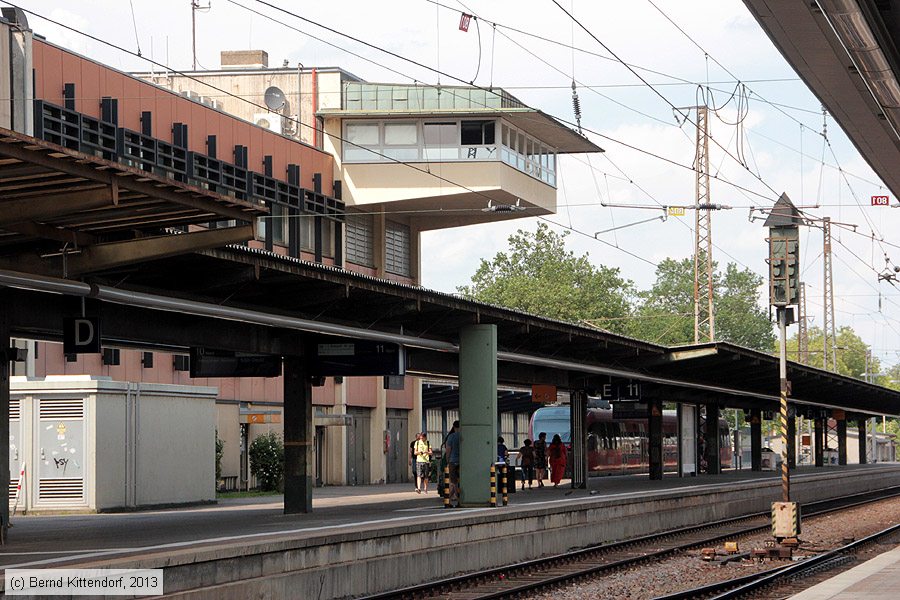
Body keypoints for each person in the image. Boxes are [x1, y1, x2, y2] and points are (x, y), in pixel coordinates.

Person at [444, 421, 460, 507]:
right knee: (459, 482)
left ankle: (448, 500)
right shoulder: (463, 436)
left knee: (453, 482)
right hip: (462, 462)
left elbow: (448, 450)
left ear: (454, 427)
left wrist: (447, 460)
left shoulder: (451, 436)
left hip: (453, 461)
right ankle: (459, 500)